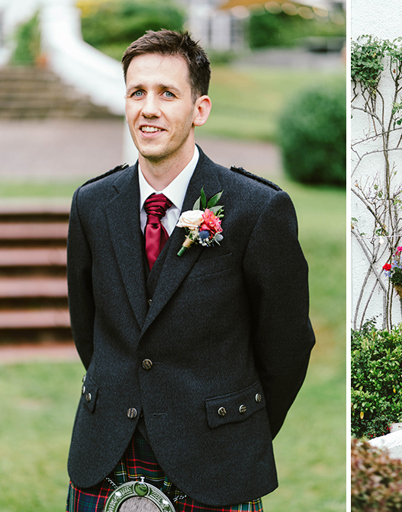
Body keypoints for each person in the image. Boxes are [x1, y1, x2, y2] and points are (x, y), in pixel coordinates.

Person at [65, 30, 315, 511]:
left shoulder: (256, 209)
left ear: (199, 109)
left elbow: (286, 344)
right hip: (106, 450)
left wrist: (237, 428)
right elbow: (88, 327)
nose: (149, 108)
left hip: (217, 459)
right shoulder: (92, 204)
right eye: (137, 92)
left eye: (167, 93)